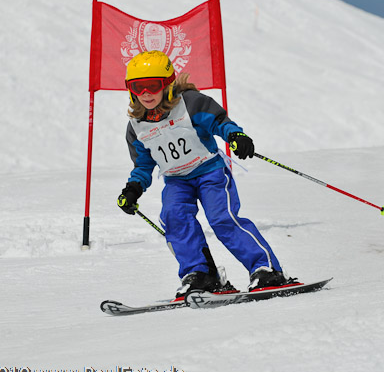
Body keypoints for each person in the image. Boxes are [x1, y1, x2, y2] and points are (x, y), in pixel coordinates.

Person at [117, 50, 293, 298]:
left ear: (167, 83)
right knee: (173, 217)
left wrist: (235, 135)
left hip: (210, 172)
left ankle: (266, 269)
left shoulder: (190, 103)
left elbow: (219, 122)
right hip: (177, 181)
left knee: (222, 218)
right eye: (137, 86)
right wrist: (133, 188)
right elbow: (143, 165)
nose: (145, 93)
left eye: (152, 85)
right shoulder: (136, 126)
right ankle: (201, 275)